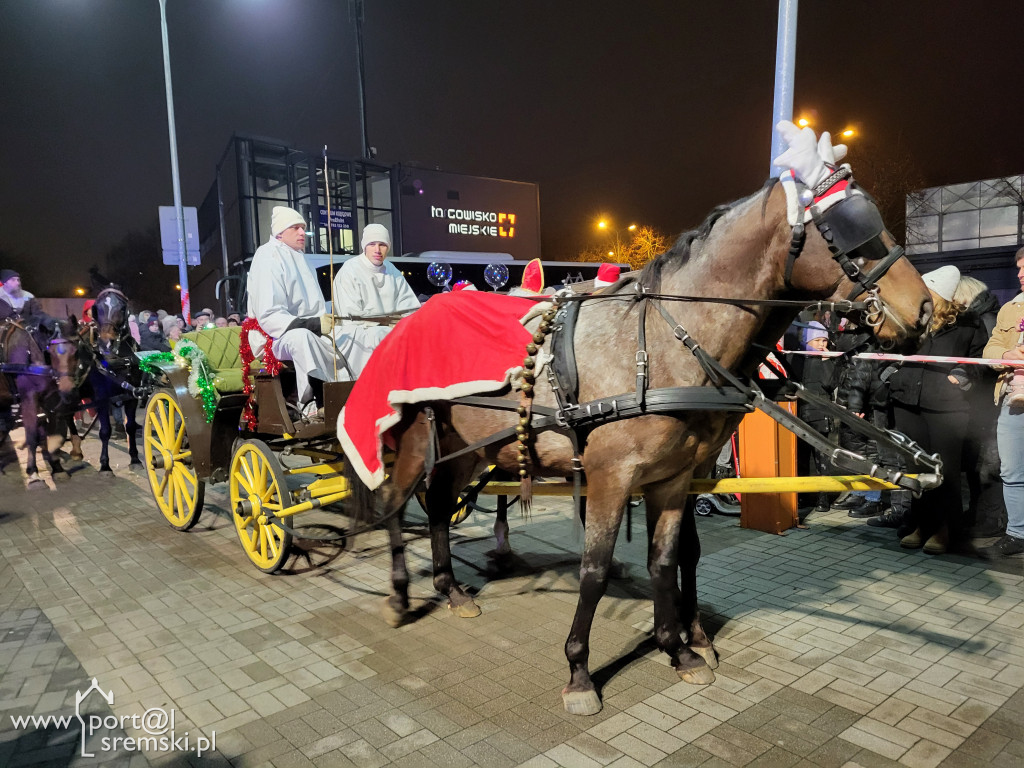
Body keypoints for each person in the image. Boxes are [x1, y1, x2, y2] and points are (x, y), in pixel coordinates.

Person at [887, 265, 987, 555]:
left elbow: (978, 359)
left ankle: (947, 529)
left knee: (945, 472)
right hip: (908, 401)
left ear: (939, 295)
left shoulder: (968, 323)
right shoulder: (913, 318)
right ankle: (922, 524)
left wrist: (962, 377)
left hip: (947, 406)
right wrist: (893, 372)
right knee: (915, 470)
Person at [246, 205, 338, 410]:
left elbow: (316, 307)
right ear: (280, 232)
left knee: (350, 335)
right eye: (295, 227)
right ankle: (311, 403)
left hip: (309, 328)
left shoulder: (302, 258)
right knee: (302, 339)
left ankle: (348, 392)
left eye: (303, 228)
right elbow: (269, 314)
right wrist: (313, 324)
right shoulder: (268, 255)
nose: (302, 232)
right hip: (273, 336)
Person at [952, 275, 1007, 539]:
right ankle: (978, 513)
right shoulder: (981, 318)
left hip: (988, 402)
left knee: (989, 466)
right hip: (980, 402)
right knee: (978, 463)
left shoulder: (986, 321)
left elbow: (983, 365)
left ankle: (992, 519)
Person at [978, 246, 1024, 559]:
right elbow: (989, 348)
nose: (1019, 274)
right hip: (1012, 398)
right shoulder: (1010, 308)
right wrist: (1006, 355)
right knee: (1012, 471)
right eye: (1019, 268)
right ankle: (1017, 533)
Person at [331, 223, 419, 378]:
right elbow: (350, 316)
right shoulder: (350, 270)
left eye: (382, 245)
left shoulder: (392, 271)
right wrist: (383, 324)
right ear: (364, 246)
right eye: (372, 244)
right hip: (356, 332)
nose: (377, 250)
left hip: (390, 329)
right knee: (381, 335)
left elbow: (409, 307)